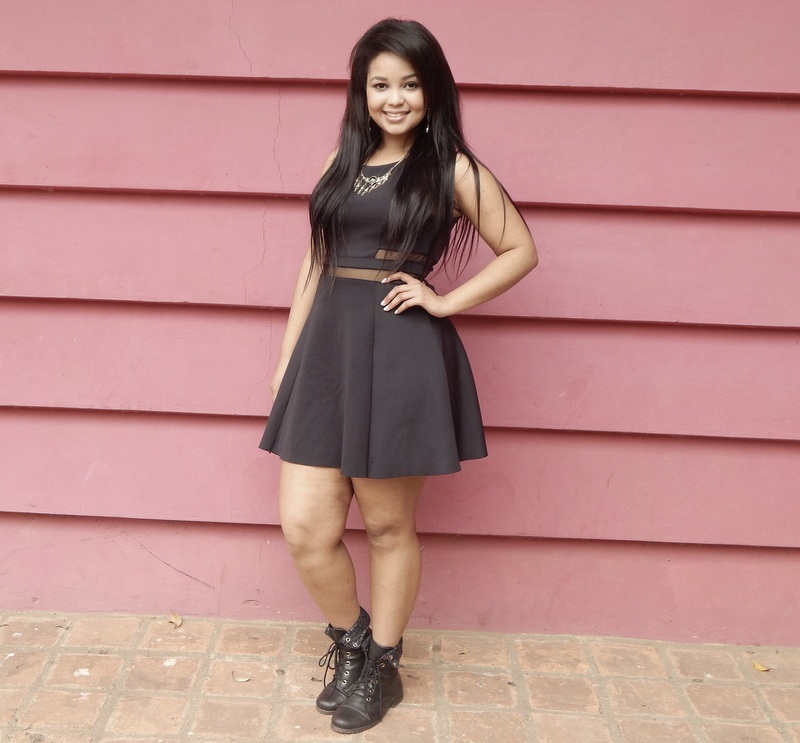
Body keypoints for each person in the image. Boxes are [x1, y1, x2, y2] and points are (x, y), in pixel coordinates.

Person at [259, 18, 537, 734]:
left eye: (409, 84)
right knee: (306, 527)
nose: (394, 98)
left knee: (387, 525)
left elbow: (520, 249)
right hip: (327, 354)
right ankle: (352, 642)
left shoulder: (452, 168)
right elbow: (316, 261)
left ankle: (382, 663)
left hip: (400, 354)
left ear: (432, 89)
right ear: (362, 91)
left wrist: (443, 300)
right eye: (380, 84)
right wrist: (288, 357)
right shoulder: (342, 160)